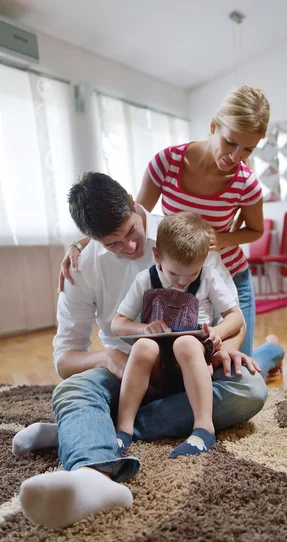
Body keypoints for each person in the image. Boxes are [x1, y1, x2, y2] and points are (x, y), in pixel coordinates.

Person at [14, 172, 283, 530]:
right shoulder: (82, 265)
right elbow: (65, 360)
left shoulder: (183, 236)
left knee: (250, 390)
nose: (128, 247)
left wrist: (227, 347)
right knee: (73, 388)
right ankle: (92, 474)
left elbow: (232, 317)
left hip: (193, 363)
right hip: (132, 372)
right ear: (91, 239)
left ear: (132, 201)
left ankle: (84, 429)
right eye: (112, 243)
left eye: (130, 231)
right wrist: (109, 357)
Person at [60, 85, 271, 357]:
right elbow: (131, 215)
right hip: (180, 276)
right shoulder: (168, 162)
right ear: (213, 126)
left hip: (228, 272)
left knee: (239, 361)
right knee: (188, 362)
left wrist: (221, 239)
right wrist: (80, 244)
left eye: (248, 150)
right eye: (230, 142)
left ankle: (272, 350)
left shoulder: (247, 184)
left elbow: (255, 230)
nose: (235, 157)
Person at [111, 212, 244, 459]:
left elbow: (236, 317)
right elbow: (117, 324)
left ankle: (204, 429)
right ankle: (123, 430)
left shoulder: (209, 277)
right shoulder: (145, 279)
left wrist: (218, 331)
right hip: (158, 366)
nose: (182, 282)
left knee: (185, 343)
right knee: (142, 347)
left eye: (191, 274)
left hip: (194, 359)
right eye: (174, 274)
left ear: (204, 261)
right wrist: (144, 329)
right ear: (158, 256)